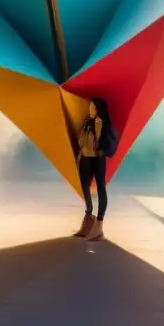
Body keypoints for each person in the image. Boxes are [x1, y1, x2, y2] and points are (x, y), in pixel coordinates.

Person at [74, 98, 110, 241]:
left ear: (98, 110)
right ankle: (89, 217)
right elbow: (81, 140)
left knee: (100, 188)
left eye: (92, 108)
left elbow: (100, 140)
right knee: (84, 186)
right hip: (86, 157)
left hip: (97, 158)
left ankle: (99, 224)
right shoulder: (87, 122)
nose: (90, 110)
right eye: (90, 108)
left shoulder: (99, 122)